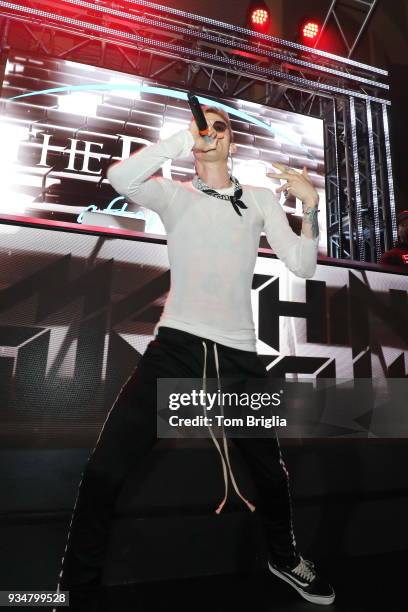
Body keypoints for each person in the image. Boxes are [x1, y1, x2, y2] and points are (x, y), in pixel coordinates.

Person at [54, 105, 334, 610]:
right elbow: (120, 177)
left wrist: (310, 207)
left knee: (269, 473)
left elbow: (304, 264)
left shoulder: (261, 200)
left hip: (240, 355)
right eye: (204, 128)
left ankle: (283, 557)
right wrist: (179, 142)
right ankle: (77, 587)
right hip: (176, 347)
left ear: (233, 145)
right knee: (103, 470)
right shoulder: (174, 195)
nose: (211, 134)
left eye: (220, 129)